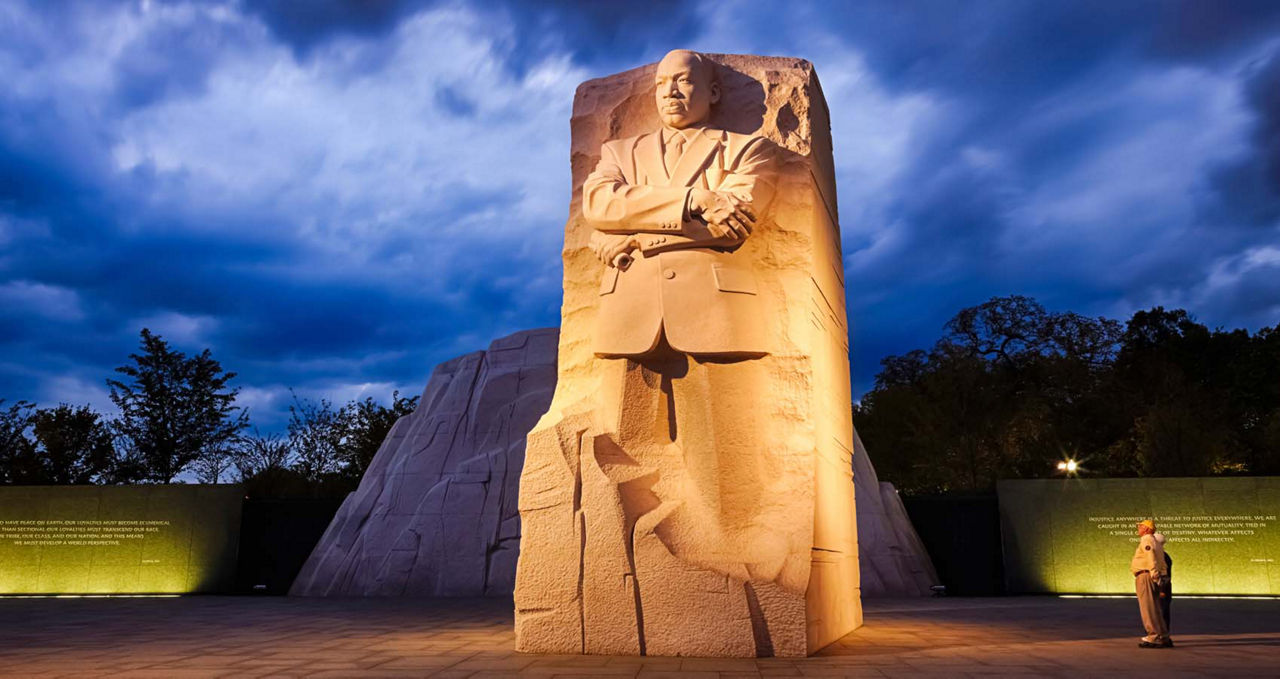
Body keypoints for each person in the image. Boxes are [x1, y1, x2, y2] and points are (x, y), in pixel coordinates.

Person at [1131, 519, 1173, 648]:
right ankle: (1163, 636)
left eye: (1141, 526)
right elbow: (1162, 562)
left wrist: (1154, 574)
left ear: (1147, 529)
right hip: (1152, 576)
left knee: (1148, 608)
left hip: (1145, 576)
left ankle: (1153, 636)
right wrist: (1162, 575)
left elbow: (1151, 558)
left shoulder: (1146, 539)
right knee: (1155, 609)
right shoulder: (1156, 543)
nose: (1139, 529)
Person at [1154, 530, 1173, 632]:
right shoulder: (1164, 555)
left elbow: (1165, 575)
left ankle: (1162, 634)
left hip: (1162, 588)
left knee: (1162, 612)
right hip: (1163, 588)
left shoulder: (1162, 557)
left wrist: (1162, 590)